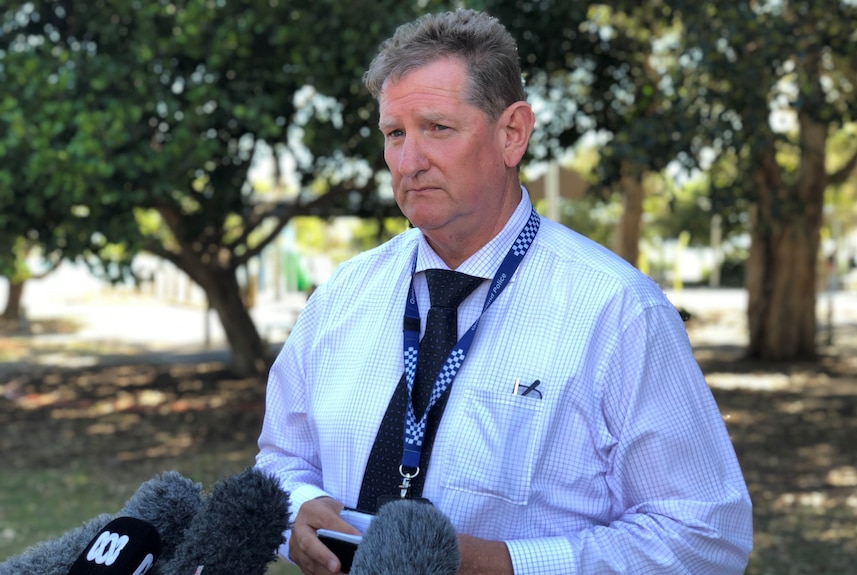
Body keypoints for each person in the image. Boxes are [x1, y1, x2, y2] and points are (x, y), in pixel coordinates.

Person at [256, 8, 752, 575]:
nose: (409, 162)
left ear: (512, 133)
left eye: (437, 128)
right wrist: (295, 511)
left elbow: (706, 536)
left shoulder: (617, 311)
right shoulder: (343, 295)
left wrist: (502, 565)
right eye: (395, 134)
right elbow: (281, 460)